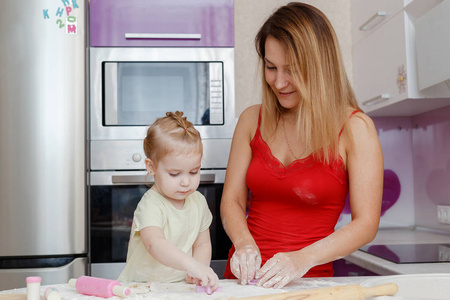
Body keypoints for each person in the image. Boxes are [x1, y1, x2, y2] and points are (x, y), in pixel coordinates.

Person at [220, 2, 384, 289]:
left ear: (321, 67)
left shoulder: (356, 129)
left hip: (308, 285)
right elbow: (231, 201)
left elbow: (366, 224)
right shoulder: (250, 120)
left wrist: (300, 259)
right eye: (271, 67)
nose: (279, 82)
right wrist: (244, 243)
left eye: (293, 70)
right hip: (241, 283)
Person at [118, 111, 219, 290]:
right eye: (174, 174)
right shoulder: (151, 205)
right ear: (151, 167)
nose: (186, 181)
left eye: (194, 172)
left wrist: (199, 267)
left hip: (180, 288)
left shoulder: (198, 202)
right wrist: (191, 264)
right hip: (141, 288)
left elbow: (202, 243)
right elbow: (155, 243)